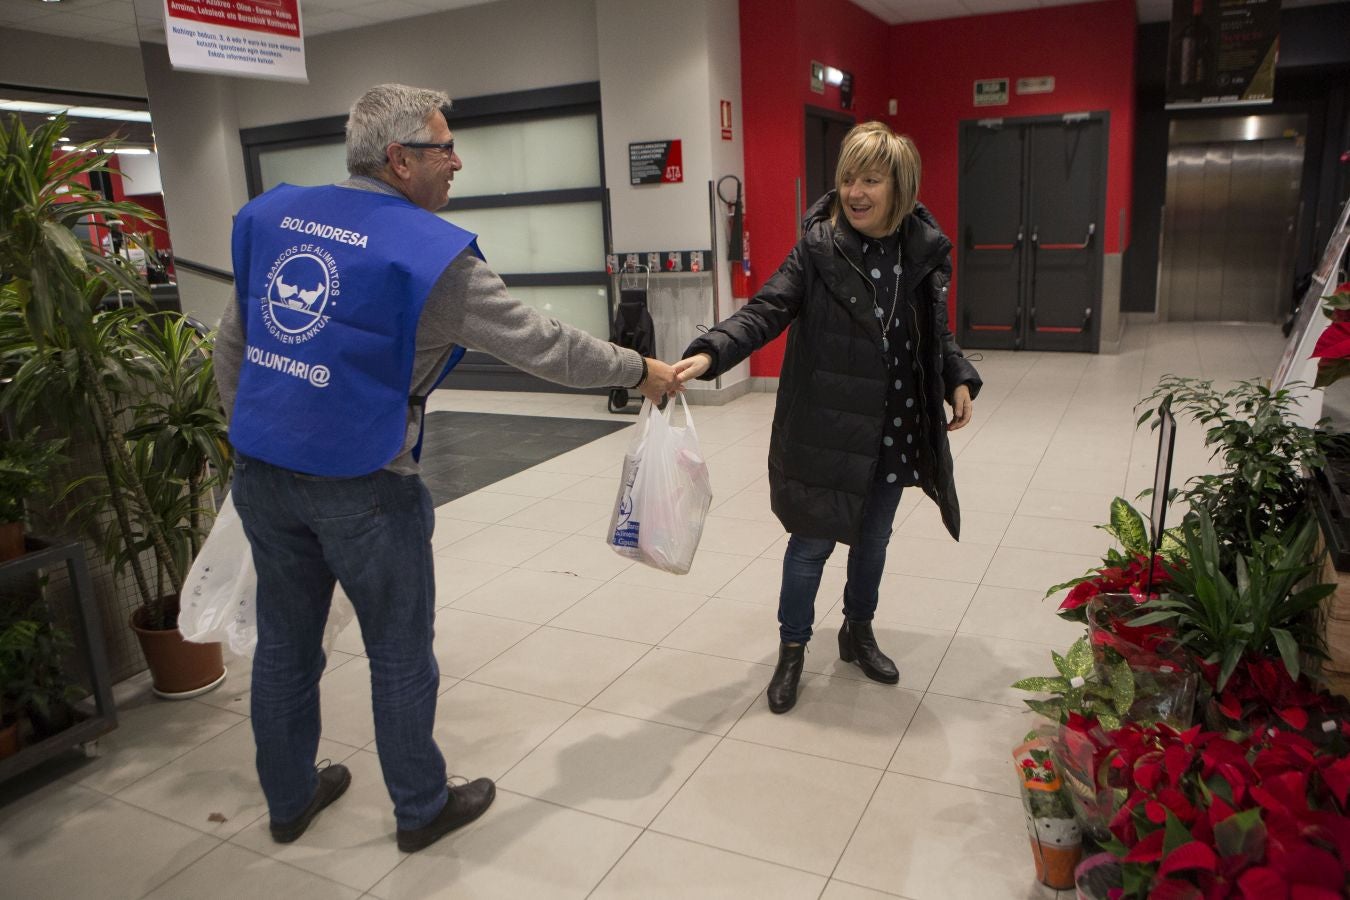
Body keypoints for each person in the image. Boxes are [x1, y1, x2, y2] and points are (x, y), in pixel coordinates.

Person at [215, 83, 681, 852]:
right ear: (398, 159)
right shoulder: (428, 257)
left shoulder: (272, 217)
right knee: (399, 650)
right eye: (444, 147)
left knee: (287, 646)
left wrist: (254, 429)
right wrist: (641, 371)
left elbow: (232, 343)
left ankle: (290, 800)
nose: (456, 161)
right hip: (364, 485)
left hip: (265, 475)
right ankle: (420, 808)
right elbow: (546, 345)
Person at [674, 121, 981, 714]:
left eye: (871, 180)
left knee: (873, 542)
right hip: (827, 429)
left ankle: (856, 632)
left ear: (901, 187)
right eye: (847, 178)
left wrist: (957, 375)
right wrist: (711, 351)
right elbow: (766, 309)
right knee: (810, 545)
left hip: (894, 428)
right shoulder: (818, 248)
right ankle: (793, 649)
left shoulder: (920, 249)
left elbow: (933, 332)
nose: (856, 192)